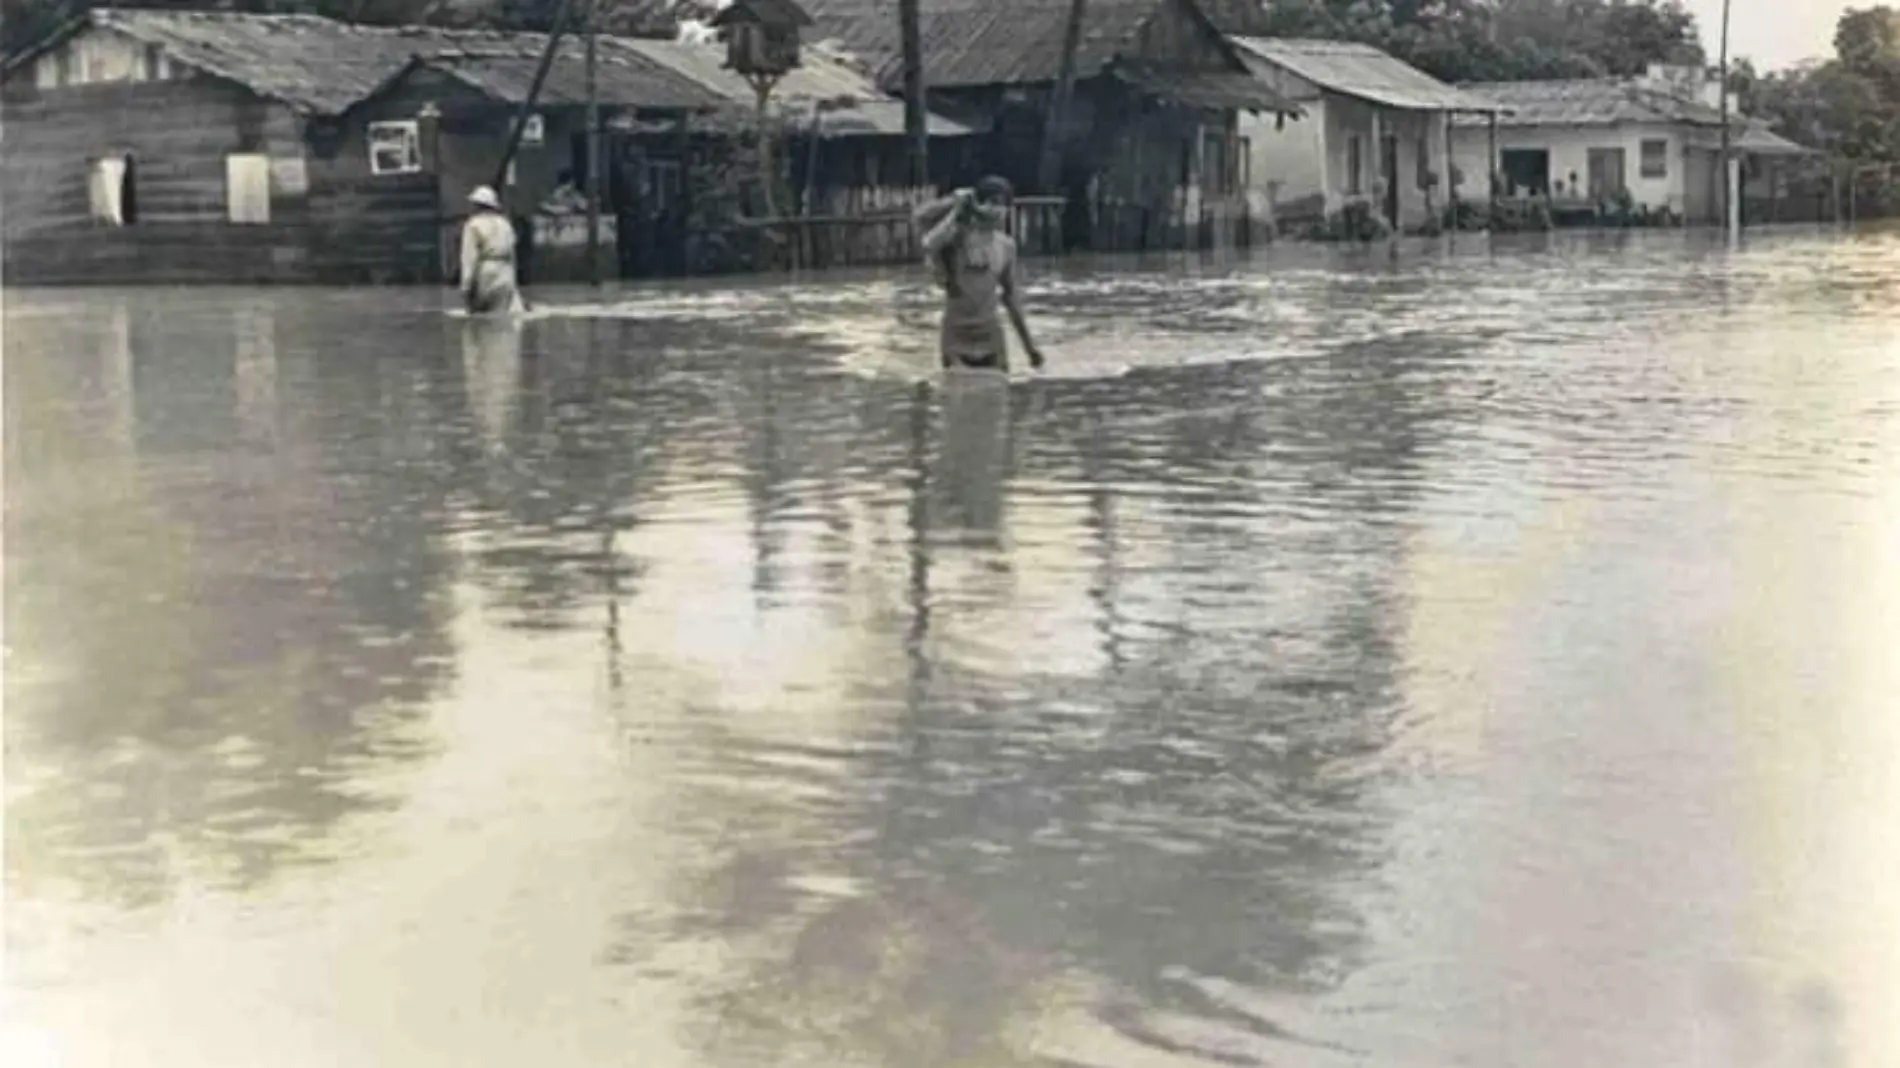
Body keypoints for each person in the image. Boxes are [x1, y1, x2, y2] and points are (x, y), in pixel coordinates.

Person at [914, 176, 1043, 373]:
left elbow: (1011, 299)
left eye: (1003, 205)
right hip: (957, 334)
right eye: (992, 203)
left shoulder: (1006, 246)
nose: (998, 210)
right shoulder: (956, 236)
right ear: (979, 205)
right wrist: (955, 203)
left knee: (999, 393)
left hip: (990, 334)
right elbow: (922, 223)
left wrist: (1030, 348)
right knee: (957, 392)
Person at [459, 185, 524, 316]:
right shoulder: (505, 224)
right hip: (506, 275)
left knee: (480, 322)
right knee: (502, 323)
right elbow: (512, 255)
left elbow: (469, 258)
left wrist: (465, 287)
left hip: (485, 274)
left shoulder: (473, 225)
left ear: (477, 205)